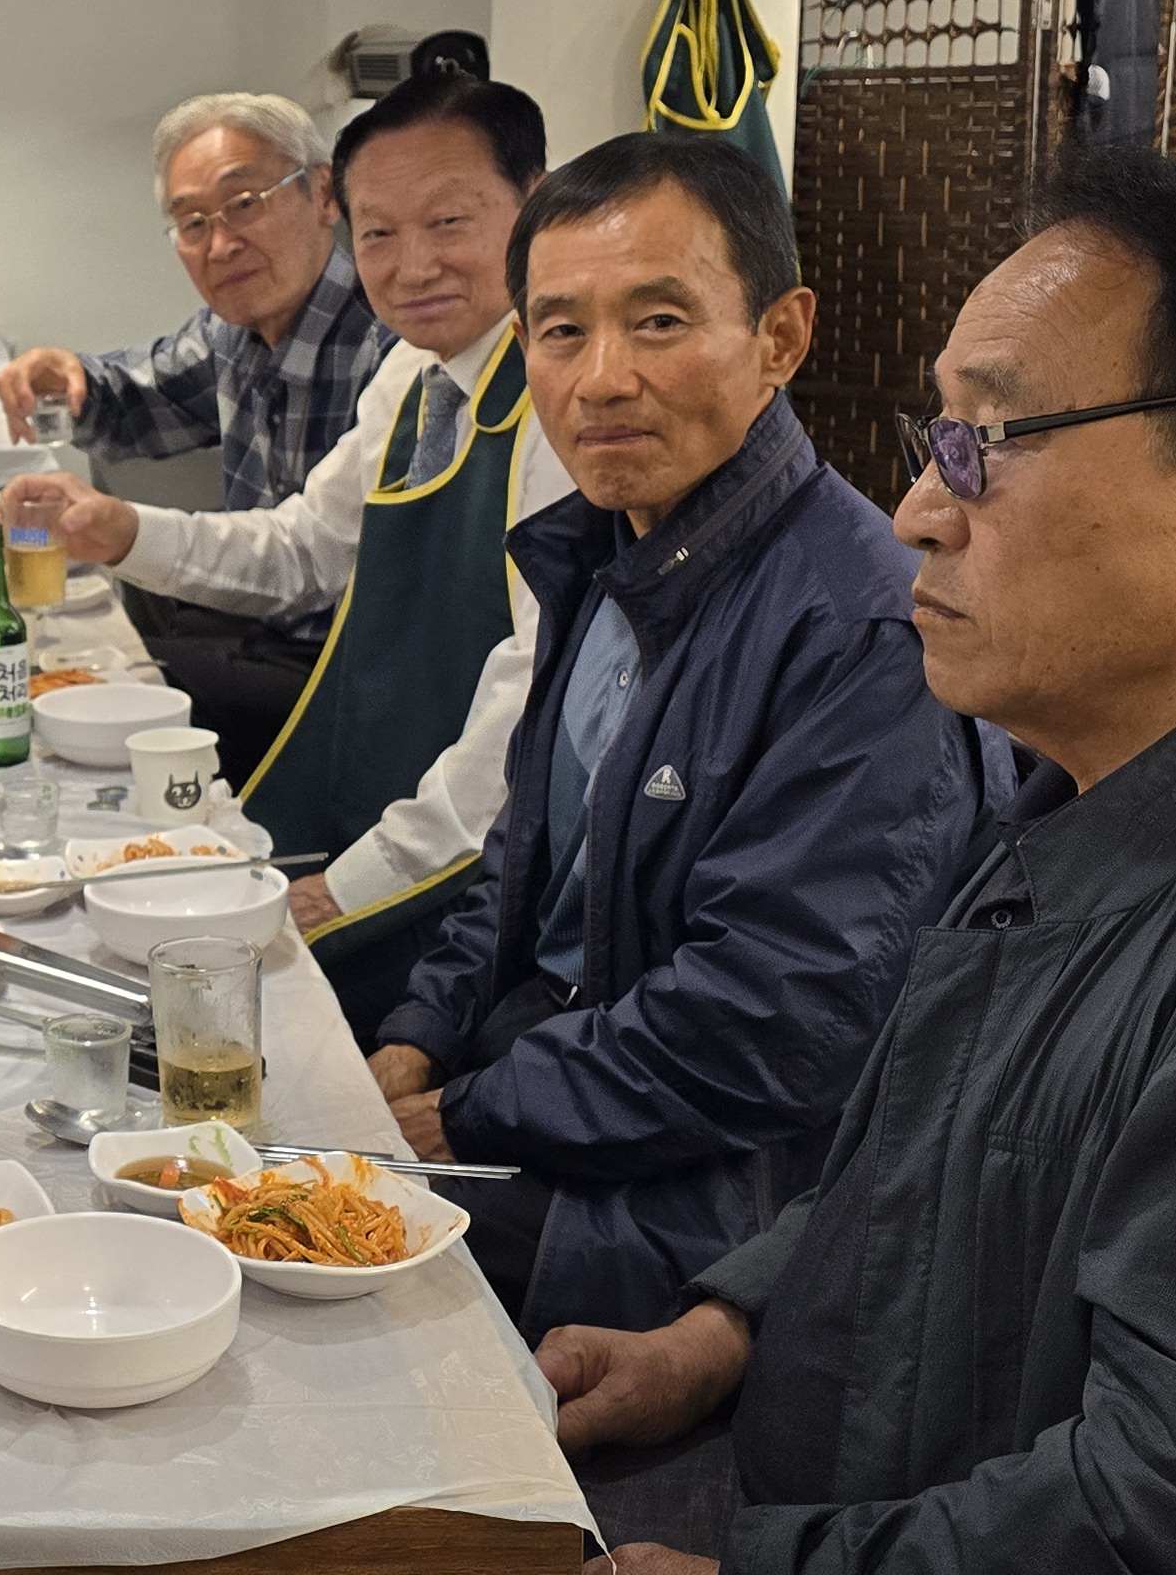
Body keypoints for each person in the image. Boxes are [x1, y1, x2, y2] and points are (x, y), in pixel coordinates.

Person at [540, 145, 1176, 1574]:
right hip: (822, 1480)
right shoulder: (1096, 796)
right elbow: (925, 1174)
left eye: (990, 441)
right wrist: (719, 1333)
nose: (918, 509)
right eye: (936, 441)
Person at [361, 133, 1008, 1340]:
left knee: (281, 1265)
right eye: (560, 331)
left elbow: (774, 1027)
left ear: (780, 336)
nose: (601, 378)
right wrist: (412, 1041)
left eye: (657, 321)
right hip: (549, 1077)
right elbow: (521, 859)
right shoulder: (605, 553)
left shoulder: (865, 631)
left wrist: (456, 1116)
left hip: (704, 1190)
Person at [2, 70, 576, 1041]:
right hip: (379, 786)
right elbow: (302, 548)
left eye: (448, 222)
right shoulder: (415, 370)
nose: (411, 264)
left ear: (537, 203)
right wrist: (120, 532)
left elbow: (527, 716)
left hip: (469, 869)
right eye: (380, 232)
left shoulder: (562, 400)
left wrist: (342, 890)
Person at [0, 92, 399, 768]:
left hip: (348, 671)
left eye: (245, 204)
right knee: (68, 664)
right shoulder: (233, 330)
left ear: (325, 194)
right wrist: (68, 380)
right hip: (256, 623)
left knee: (81, 699)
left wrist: (125, 531)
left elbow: (311, 563)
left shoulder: (391, 343)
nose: (221, 244)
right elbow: (137, 399)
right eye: (192, 222)